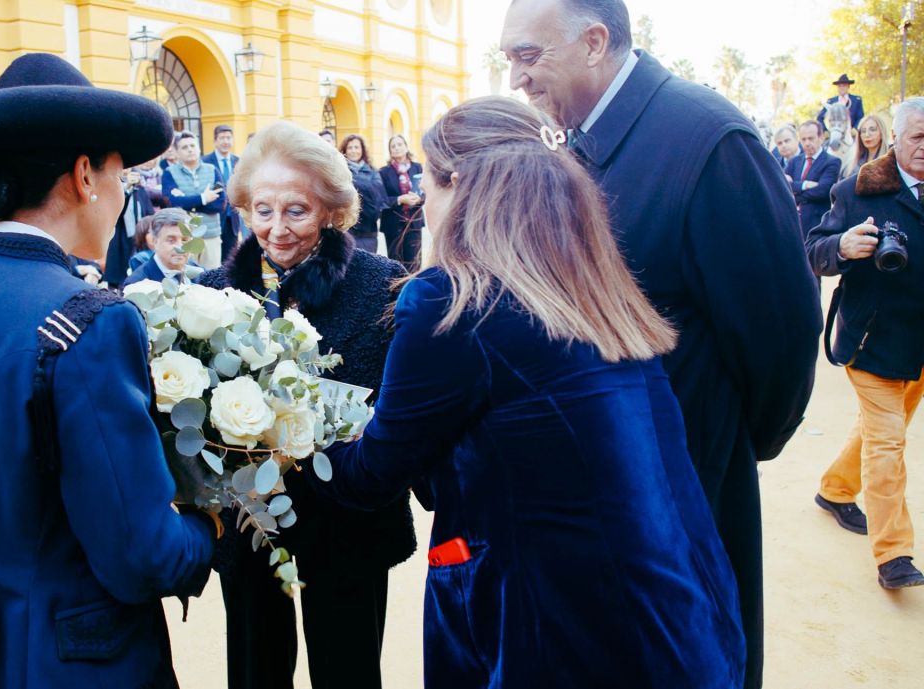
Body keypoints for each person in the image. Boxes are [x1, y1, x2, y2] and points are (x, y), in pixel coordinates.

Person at [311, 95, 745, 688]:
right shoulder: (591, 284)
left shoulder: (453, 300)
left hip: (556, 630)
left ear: (456, 186)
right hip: (679, 608)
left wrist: (285, 433)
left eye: (430, 187)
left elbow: (372, 473)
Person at [499, 2, 822, 687]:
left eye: (528, 56)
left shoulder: (706, 140)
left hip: (687, 492)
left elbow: (783, 336)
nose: (516, 81)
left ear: (593, 43)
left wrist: (722, 442)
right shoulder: (580, 141)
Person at [0, 53, 217, 688]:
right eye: (122, 177)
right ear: (85, 175)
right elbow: (141, 555)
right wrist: (210, 518)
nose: (122, 197)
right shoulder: (89, 320)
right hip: (62, 658)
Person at [198, 121, 416, 689]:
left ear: (331, 209)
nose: (276, 228)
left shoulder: (381, 285)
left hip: (346, 519)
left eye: (296, 210)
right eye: (261, 210)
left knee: (348, 668)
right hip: (250, 523)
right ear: (244, 207)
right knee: (254, 670)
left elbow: (397, 408)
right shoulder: (207, 292)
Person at [808, 97, 924, 590]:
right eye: (918, 136)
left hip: (920, 350)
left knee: (883, 431)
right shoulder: (856, 190)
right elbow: (814, 251)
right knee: (888, 442)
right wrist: (843, 247)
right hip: (873, 343)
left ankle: (835, 490)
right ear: (896, 138)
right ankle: (893, 555)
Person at [162, 132, 225, 268]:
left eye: (192, 145)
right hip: (183, 237)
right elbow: (172, 203)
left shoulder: (212, 170)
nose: (190, 149)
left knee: (212, 279)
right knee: (184, 278)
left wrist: (186, 201)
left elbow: (220, 204)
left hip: (211, 234)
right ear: (177, 153)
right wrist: (203, 198)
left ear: (199, 148)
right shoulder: (169, 173)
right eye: (184, 147)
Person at [787, 121, 841, 238]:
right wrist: (804, 185)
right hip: (792, 223)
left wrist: (794, 196)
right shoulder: (793, 162)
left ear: (821, 138)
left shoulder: (832, 162)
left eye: (811, 138)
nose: (807, 143)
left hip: (816, 225)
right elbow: (782, 186)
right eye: (803, 139)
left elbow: (823, 191)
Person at [102, 167, 154, 286]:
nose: (125, 171)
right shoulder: (112, 188)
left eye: (128, 168)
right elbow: (116, 210)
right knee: (120, 280)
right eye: (122, 168)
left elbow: (149, 212)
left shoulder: (140, 189)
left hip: (140, 237)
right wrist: (127, 187)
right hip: (121, 237)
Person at [378, 134, 424, 268]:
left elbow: (426, 192)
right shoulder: (384, 172)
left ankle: (414, 289)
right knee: (395, 264)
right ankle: (397, 290)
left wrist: (419, 199)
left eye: (400, 144)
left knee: (414, 264)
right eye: (393, 146)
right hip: (393, 224)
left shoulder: (418, 168)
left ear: (406, 147)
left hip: (414, 222)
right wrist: (400, 199)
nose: (397, 148)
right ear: (390, 151)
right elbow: (381, 199)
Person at [341, 133, 389, 253]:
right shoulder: (340, 171)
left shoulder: (372, 171)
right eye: (350, 147)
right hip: (348, 229)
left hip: (369, 230)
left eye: (356, 147)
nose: (353, 151)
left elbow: (380, 198)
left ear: (362, 150)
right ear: (345, 150)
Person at [203, 124, 245, 261]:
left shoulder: (238, 161)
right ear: (215, 141)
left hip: (232, 217)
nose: (226, 141)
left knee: (229, 258)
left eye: (228, 138)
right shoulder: (205, 162)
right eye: (222, 138)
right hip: (212, 217)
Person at [124, 207, 195, 285]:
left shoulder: (200, 275)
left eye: (184, 240)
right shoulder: (137, 284)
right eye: (171, 240)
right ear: (155, 241)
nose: (180, 247)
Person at [842, 113, 891, 179]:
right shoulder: (853, 164)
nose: (867, 135)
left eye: (872, 129)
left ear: (882, 133)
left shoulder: (891, 159)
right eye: (863, 131)